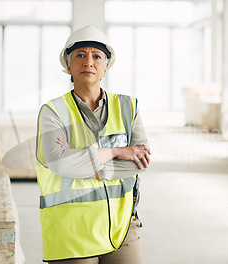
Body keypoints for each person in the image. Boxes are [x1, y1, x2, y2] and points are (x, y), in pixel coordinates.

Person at [35, 25, 151, 263]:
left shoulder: (128, 108)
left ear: (106, 66)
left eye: (97, 56)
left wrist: (84, 164)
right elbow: (59, 164)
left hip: (122, 226)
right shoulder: (53, 112)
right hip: (72, 231)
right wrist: (117, 151)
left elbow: (140, 161)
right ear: (68, 65)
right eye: (80, 55)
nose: (88, 62)